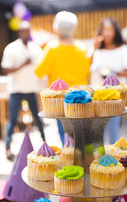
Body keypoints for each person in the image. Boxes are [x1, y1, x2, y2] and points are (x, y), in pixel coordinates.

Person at [35, 11, 91, 145]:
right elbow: (86, 72)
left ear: (57, 27)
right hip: (82, 97)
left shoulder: (52, 48)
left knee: (65, 136)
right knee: (80, 134)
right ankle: (82, 161)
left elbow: (38, 71)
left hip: (61, 100)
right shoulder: (82, 48)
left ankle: (70, 163)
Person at [1, 21, 46, 160]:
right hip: (16, 89)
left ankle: (46, 145)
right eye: (23, 31)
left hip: (31, 89)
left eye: (28, 31)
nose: (26, 34)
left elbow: (41, 69)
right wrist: (22, 64)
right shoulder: (11, 48)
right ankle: (8, 148)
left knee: (38, 119)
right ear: (19, 32)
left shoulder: (36, 49)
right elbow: (5, 69)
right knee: (13, 119)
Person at [90, 18, 127, 145]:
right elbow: (89, 66)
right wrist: (94, 47)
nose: (107, 33)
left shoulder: (123, 50)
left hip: (115, 97)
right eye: (105, 30)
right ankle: (99, 161)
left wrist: (113, 71)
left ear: (116, 31)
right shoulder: (98, 50)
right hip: (98, 96)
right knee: (98, 131)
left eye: (110, 29)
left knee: (113, 130)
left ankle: (112, 161)